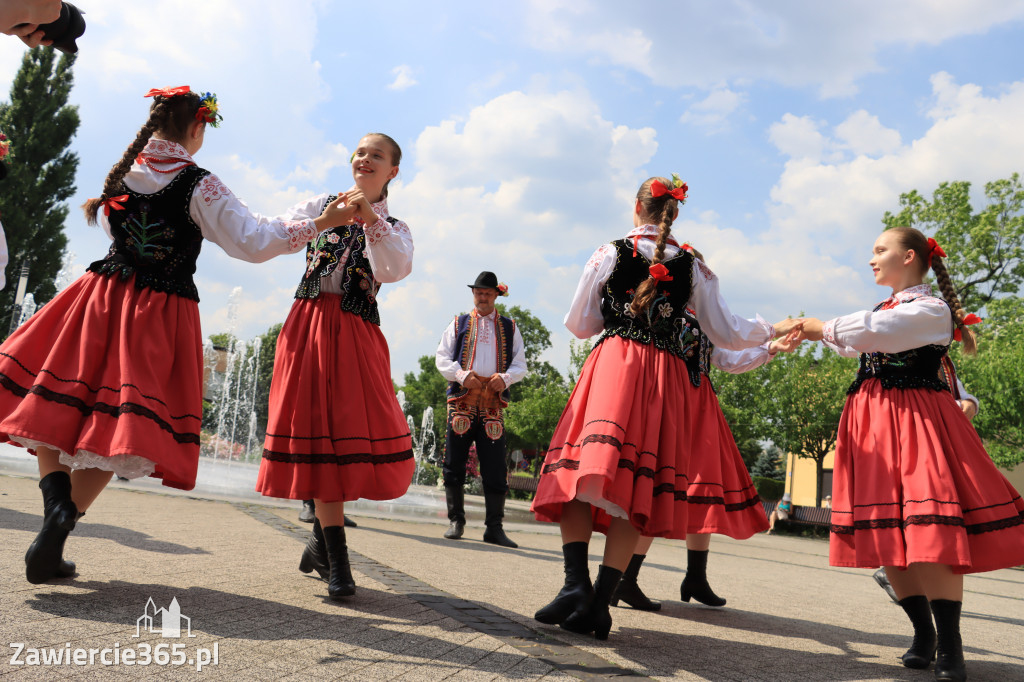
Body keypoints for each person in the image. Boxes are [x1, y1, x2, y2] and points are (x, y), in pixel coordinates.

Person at [0, 86, 351, 585]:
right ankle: (58, 524)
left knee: (53, 400)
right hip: (157, 313)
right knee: (123, 429)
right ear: (197, 128)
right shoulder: (199, 184)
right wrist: (322, 222)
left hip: (100, 296)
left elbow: (110, 226)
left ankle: (55, 503)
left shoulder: (125, 172)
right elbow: (252, 242)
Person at [530, 175, 803, 640]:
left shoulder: (610, 252)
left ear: (636, 208)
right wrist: (772, 329)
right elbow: (728, 332)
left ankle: (576, 583)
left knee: (577, 472)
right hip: (666, 380)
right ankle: (599, 601)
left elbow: (579, 324)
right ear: (675, 214)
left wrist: (619, 314)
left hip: (616, 367)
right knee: (634, 493)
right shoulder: (695, 268)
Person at [797, 226, 1024, 682]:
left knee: (931, 531)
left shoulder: (931, 309)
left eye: (880, 250)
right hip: (875, 424)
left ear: (910, 257)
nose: (872, 259)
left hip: (917, 423)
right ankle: (924, 634)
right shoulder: (892, 309)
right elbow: (863, 339)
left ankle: (951, 646)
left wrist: (815, 326)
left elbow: (882, 335)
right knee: (888, 535)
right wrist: (796, 334)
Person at [255, 133, 414, 601]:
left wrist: (370, 221)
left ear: (392, 172)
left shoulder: (396, 227)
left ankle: (322, 547)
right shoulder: (320, 203)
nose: (365, 159)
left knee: (346, 435)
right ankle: (338, 564)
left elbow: (393, 269)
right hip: (307, 323)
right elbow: (280, 233)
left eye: (377, 155)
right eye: (361, 152)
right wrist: (327, 219)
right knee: (320, 436)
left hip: (356, 331)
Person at [613, 294, 803, 612]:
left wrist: (770, 348)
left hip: (701, 403)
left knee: (702, 489)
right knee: (662, 488)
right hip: (671, 399)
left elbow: (724, 359)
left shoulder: (702, 316)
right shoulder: (661, 308)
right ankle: (626, 578)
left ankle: (696, 577)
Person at [872, 362, 979, 604]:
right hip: (904, 440)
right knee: (918, 513)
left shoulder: (939, 358)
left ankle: (911, 573)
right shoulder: (891, 348)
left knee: (933, 519)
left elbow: (957, 392)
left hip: (938, 443)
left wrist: (970, 404)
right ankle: (902, 570)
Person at [434, 272, 528, 548]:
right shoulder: (458, 323)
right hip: (462, 400)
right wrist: (462, 376)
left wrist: (505, 378)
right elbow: (441, 358)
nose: (482, 296)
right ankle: (456, 521)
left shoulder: (510, 327)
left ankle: (494, 527)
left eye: (487, 292)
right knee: (453, 463)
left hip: (492, 404)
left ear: (496, 295)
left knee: (495, 467)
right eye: (478, 292)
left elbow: (520, 365)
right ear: (473, 294)